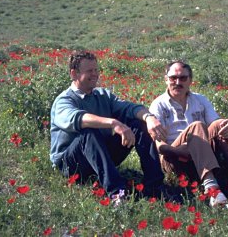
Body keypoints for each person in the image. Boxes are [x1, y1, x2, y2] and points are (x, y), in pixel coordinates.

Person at [50, 51, 175, 201]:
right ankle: (117, 192)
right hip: (71, 164)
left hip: (99, 154)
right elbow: (78, 118)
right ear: (74, 74)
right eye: (89, 71)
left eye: (96, 70)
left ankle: (155, 186)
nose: (95, 74)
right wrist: (113, 123)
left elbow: (129, 108)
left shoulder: (103, 95)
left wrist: (149, 118)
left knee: (138, 124)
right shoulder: (64, 100)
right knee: (88, 131)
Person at [148, 61, 228, 207]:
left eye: (183, 78)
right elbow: (158, 145)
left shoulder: (200, 99)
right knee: (197, 126)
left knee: (222, 125)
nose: (177, 82)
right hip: (173, 157)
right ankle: (213, 190)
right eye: (173, 78)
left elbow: (216, 124)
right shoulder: (158, 105)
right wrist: (178, 150)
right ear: (166, 79)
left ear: (190, 80)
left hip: (202, 152)